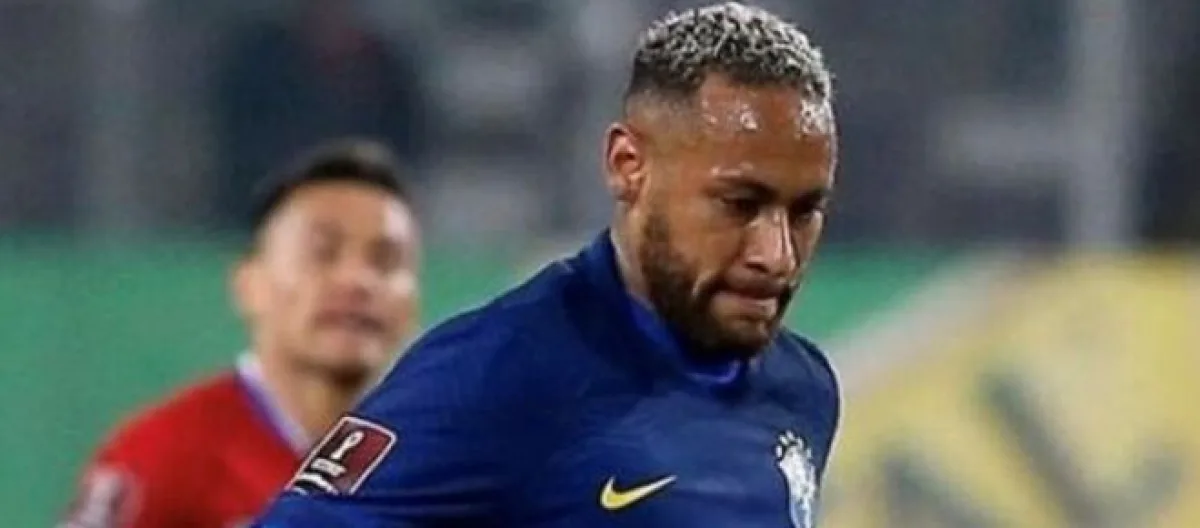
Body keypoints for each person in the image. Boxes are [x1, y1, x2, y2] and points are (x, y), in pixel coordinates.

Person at [255, 2, 840, 526]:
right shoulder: (494, 374)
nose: (777, 255)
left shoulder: (805, 389)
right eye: (739, 204)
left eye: (804, 211)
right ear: (628, 166)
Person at [60, 139, 422, 528]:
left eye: (385, 261)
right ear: (249, 284)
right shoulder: (160, 456)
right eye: (323, 252)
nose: (357, 281)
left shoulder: (439, 459)